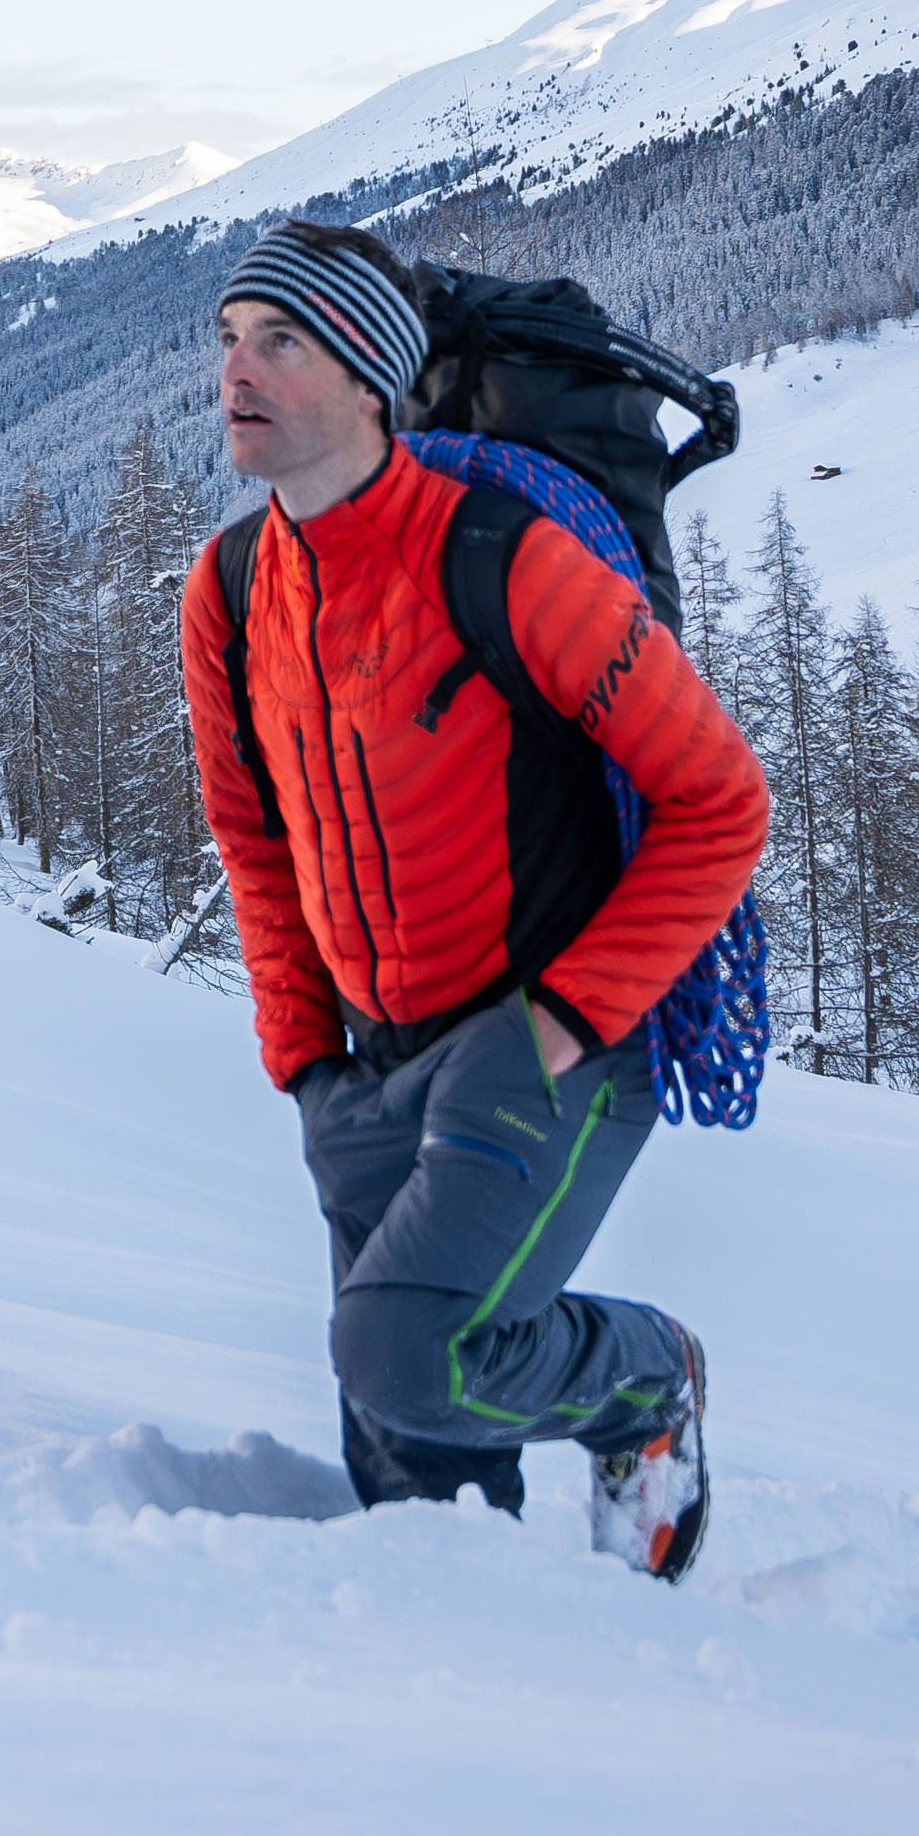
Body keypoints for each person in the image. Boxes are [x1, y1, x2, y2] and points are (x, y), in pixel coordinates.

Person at [177, 218, 769, 1577]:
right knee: (417, 1516)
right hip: (366, 1069)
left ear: (372, 377)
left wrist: (553, 1024)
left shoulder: (500, 556)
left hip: (544, 1045)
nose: (237, 373)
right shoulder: (227, 590)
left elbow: (718, 801)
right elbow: (253, 840)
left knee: (405, 1353)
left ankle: (642, 1381)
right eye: (226, 339)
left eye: (280, 342)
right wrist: (306, 1067)